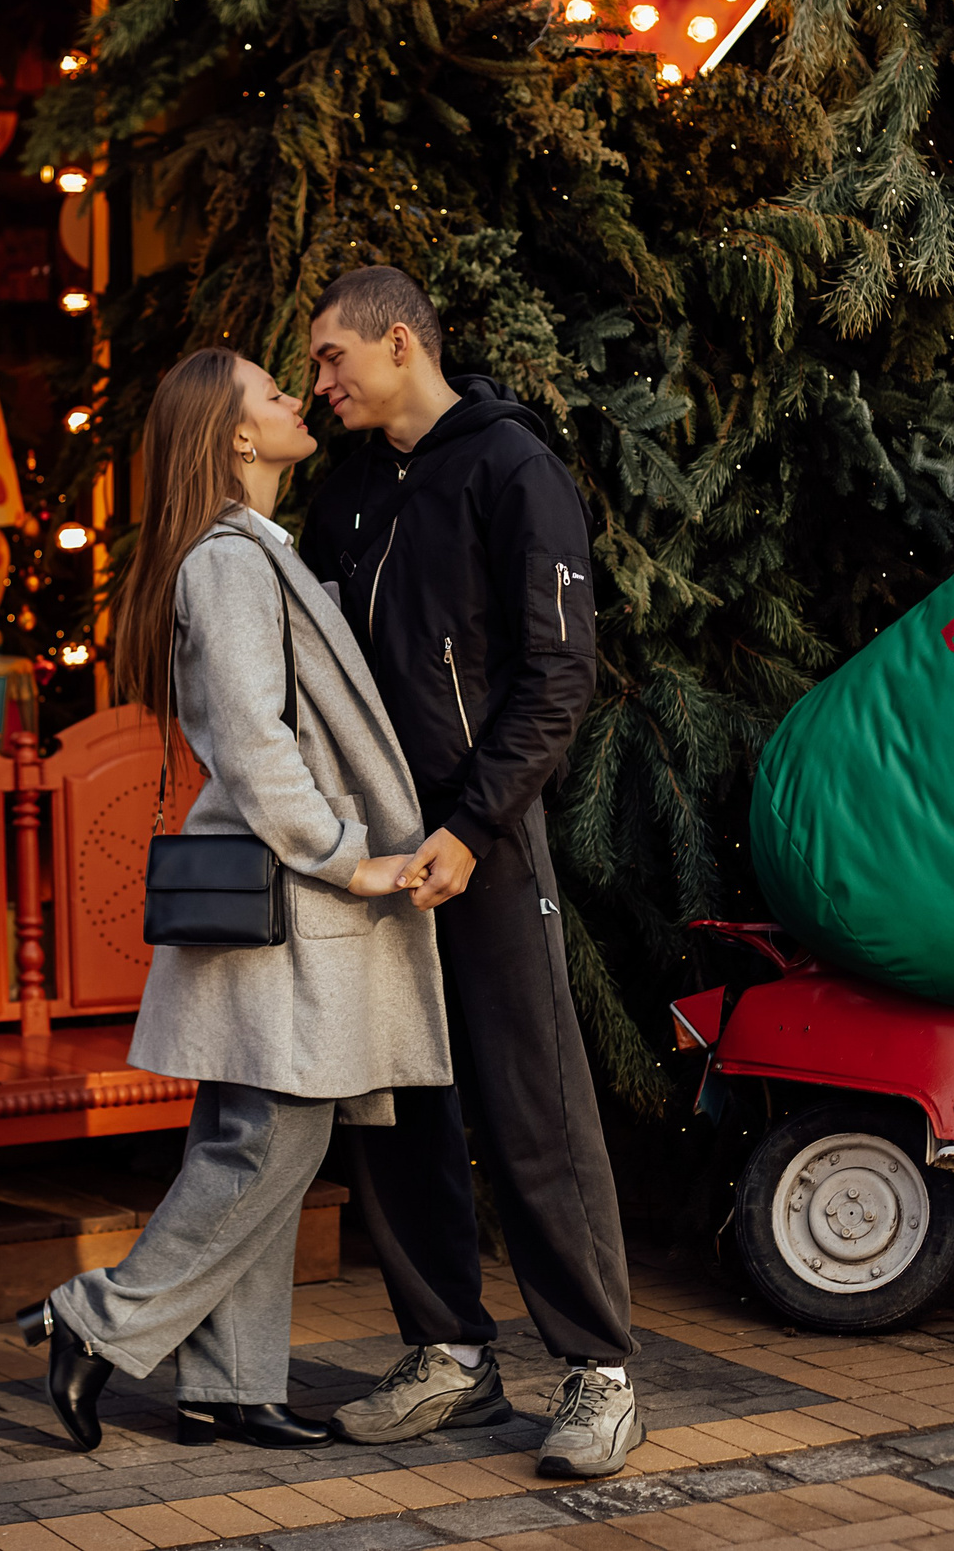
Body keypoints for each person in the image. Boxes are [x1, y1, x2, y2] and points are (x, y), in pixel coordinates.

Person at [18, 346, 451, 1453]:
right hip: (291, 896)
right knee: (269, 1145)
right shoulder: (229, 563)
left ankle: (229, 1384)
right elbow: (256, 745)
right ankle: (94, 1319)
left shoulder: (258, 552)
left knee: (251, 1139)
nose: (297, 397)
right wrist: (347, 855)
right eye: (272, 392)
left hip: (281, 904)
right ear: (237, 435)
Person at [297, 267, 643, 1479]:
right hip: (372, 854)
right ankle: (448, 1353)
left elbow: (558, 674)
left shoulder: (512, 468)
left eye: (334, 357)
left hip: (478, 844)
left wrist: (476, 824)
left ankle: (600, 1375)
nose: (321, 382)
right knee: (397, 1111)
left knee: (531, 1104)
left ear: (400, 344)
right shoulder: (346, 495)